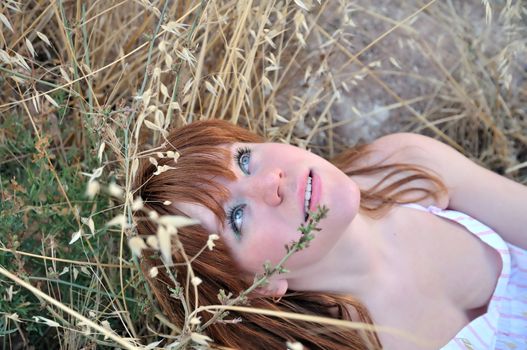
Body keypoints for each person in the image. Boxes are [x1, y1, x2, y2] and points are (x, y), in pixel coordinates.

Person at [133, 119, 527, 349]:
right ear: (255, 285)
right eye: (237, 217)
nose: (272, 181)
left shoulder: (405, 170)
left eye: (244, 159)